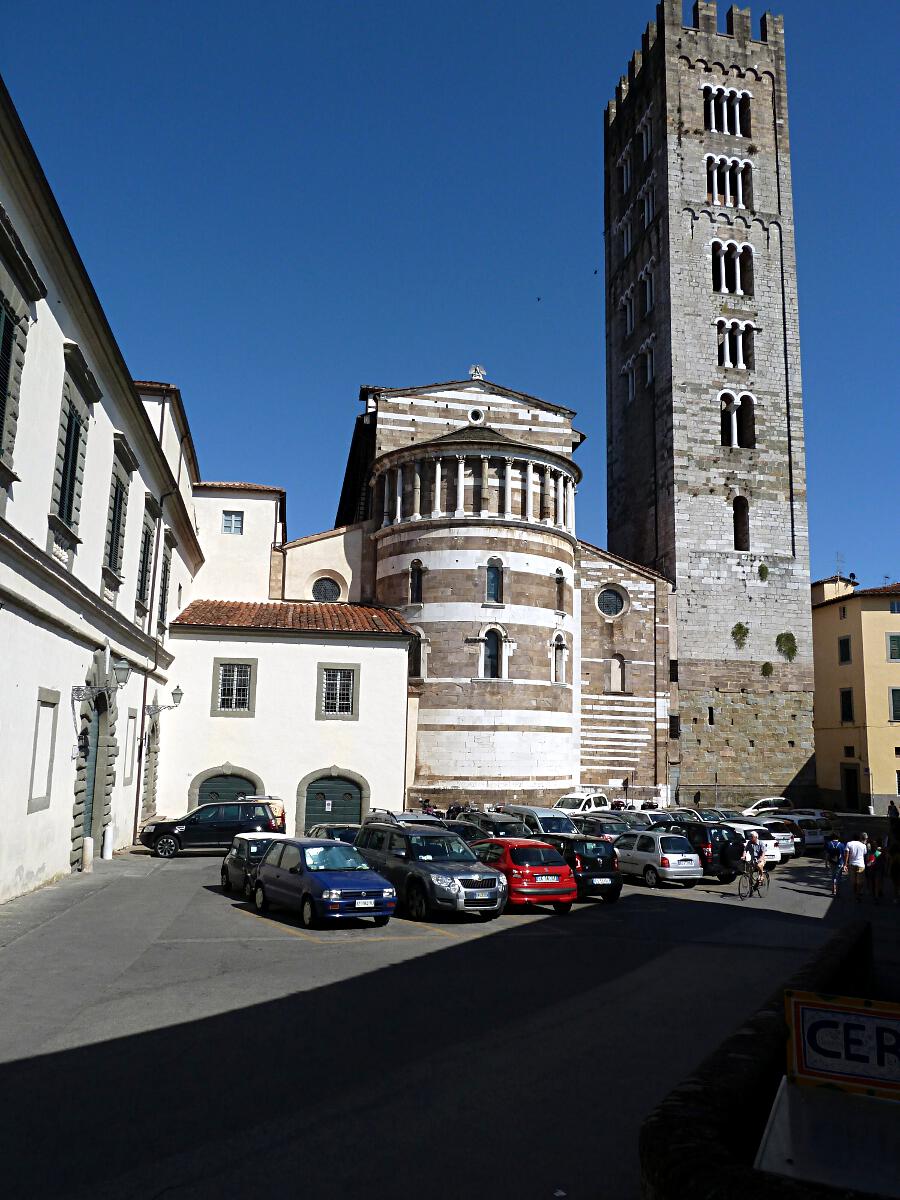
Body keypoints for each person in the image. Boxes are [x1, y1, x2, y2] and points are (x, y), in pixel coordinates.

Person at [843, 833, 868, 903]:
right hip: (861, 865)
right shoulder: (863, 845)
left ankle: (855, 894)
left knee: (853, 881)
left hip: (852, 864)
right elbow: (864, 855)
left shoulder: (849, 843)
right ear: (859, 838)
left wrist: (845, 864)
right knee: (860, 882)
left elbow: (846, 854)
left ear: (852, 838)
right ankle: (858, 894)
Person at [824, 832, 846, 898]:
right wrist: (845, 864)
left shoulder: (829, 844)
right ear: (838, 837)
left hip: (831, 862)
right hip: (839, 862)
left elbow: (827, 855)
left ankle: (834, 890)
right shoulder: (842, 845)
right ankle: (838, 891)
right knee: (838, 877)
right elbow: (844, 855)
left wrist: (826, 863)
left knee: (833, 876)